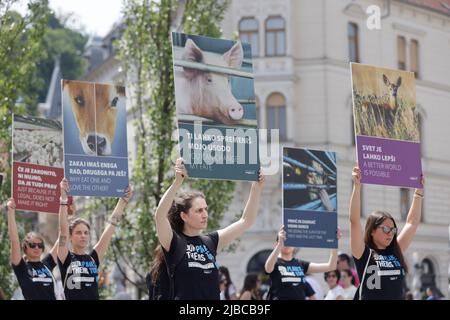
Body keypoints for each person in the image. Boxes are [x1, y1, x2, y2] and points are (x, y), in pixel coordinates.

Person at [151, 158, 265, 300]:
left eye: (206, 209)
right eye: (199, 211)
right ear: (184, 216)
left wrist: (256, 188)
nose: (205, 214)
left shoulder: (211, 241)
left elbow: (246, 221)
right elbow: (160, 216)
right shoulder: (174, 242)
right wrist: (177, 183)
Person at [349, 166, 424, 300]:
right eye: (385, 229)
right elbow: (354, 221)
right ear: (372, 230)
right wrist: (357, 186)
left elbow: (412, 223)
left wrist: (418, 191)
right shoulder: (364, 254)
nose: (390, 233)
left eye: (393, 229)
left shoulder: (395, 250)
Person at [57, 178, 132, 300]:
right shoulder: (65, 257)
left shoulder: (93, 258)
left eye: (86, 233)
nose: (83, 235)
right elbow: (63, 230)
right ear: (71, 237)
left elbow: (111, 224)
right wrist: (64, 199)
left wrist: (122, 202)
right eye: (78, 232)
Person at [264, 225, 340, 300]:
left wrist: (334, 242)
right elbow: (268, 268)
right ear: (277, 243)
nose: (287, 243)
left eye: (290, 240)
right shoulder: (275, 262)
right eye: (284, 240)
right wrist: (279, 245)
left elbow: (331, 266)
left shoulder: (301, 264)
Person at [6, 198, 61, 300]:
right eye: (32, 245)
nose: (36, 247)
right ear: (25, 247)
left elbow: (62, 239)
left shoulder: (47, 264)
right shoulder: (21, 267)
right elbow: (14, 240)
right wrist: (11, 212)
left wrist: (65, 215)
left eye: (39, 245)